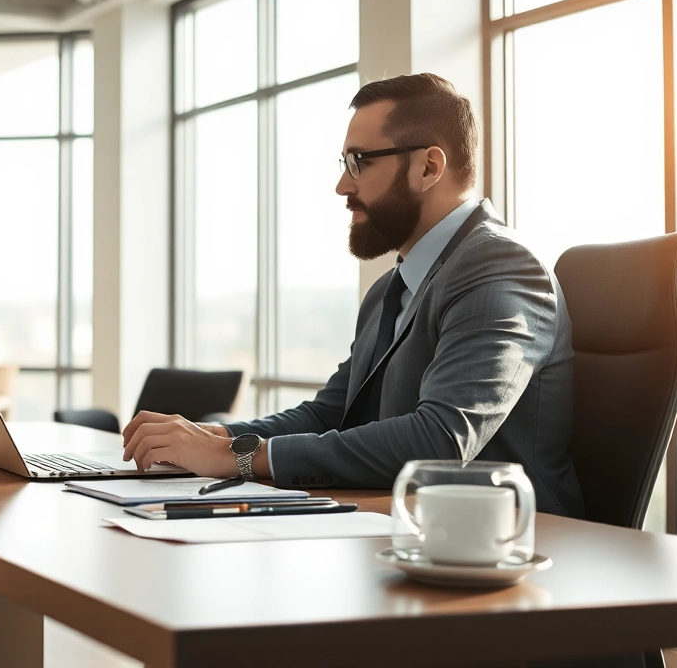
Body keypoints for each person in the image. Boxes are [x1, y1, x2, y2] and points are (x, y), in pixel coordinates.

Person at [122, 72, 584, 517]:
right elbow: (332, 414)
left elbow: (440, 439)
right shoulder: (391, 288)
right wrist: (207, 437)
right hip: (399, 526)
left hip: (511, 545)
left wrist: (236, 456)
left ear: (428, 166)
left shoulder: (501, 268)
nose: (343, 185)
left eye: (359, 162)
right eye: (344, 163)